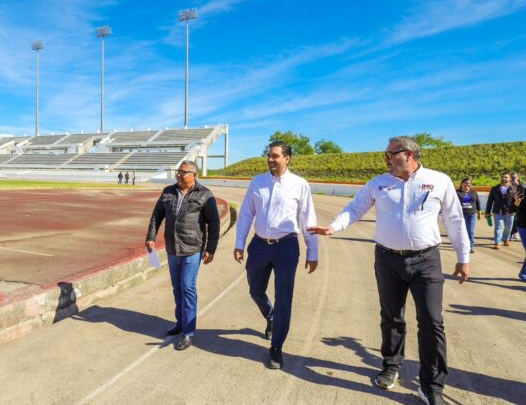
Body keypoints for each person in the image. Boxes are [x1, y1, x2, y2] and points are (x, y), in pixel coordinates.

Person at [308, 136, 470, 405]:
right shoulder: (378, 183)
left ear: (408, 154)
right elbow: (355, 208)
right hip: (387, 259)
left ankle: (431, 385)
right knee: (392, 317)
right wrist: (334, 227)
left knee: (432, 321)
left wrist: (463, 258)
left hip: (426, 260)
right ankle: (391, 366)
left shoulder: (439, 180)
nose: (385, 158)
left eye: (390, 153)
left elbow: (454, 219)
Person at [233, 141, 319, 369]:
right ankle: (269, 315)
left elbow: (308, 219)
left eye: (275, 156)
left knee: (284, 298)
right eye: (269, 156)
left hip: (286, 247)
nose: (270, 159)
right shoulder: (257, 182)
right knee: (255, 290)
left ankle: (276, 348)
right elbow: (245, 215)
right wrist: (239, 243)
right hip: (260, 246)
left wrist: (313, 251)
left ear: (287, 158)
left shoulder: (299, 185)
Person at [145, 160, 220, 350]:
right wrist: (151, 236)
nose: (179, 175)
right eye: (178, 171)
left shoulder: (204, 194)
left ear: (194, 175)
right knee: (177, 288)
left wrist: (210, 249)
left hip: (192, 249)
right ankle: (180, 322)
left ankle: (187, 332)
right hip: (172, 248)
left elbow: (214, 223)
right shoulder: (168, 191)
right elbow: (156, 215)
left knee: (187, 287)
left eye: (183, 172)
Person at [484, 172, 516, 249]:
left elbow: (517, 200)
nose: (504, 178)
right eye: (502, 177)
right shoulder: (494, 188)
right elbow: (490, 201)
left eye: (506, 177)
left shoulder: (514, 188)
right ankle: (497, 242)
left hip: (510, 212)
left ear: (510, 179)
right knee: (498, 227)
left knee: (509, 227)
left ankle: (506, 239)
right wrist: (487, 212)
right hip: (498, 211)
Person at [456, 178, 481, 253]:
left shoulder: (473, 192)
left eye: (469, 183)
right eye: (466, 183)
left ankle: (471, 246)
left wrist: (479, 212)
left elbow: (478, 202)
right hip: (460, 215)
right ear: (462, 184)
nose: (468, 184)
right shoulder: (456, 192)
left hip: (471, 214)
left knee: (470, 231)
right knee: (460, 231)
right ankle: (461, 245)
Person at [513, 183, 526, 281]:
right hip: (523, 224)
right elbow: (515, 205)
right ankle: (523, 274)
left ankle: (523, 273)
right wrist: (517, 201)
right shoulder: (522, 188)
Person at [510, 172, 522, 241]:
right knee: (512, 220)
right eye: (512, 177)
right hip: (510, 206)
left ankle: (515, 233)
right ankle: (511, 234)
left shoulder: (521, 185)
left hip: (520, 205)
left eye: (515, 177)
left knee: (516, 219)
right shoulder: (508, 185)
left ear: (518, 178)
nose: (514, 179)